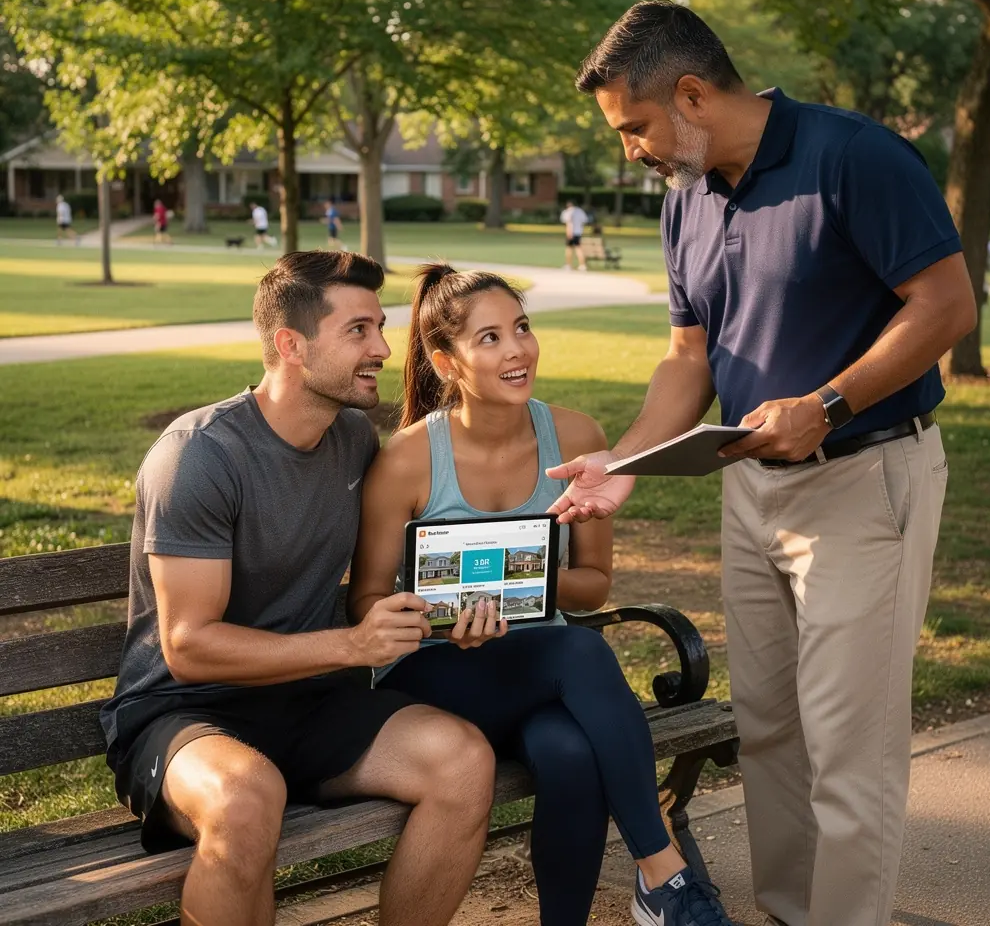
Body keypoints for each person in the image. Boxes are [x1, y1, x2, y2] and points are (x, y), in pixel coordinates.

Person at [549, 0, 977, 926]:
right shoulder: (686, 202)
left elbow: (945, 306)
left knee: (850, 746)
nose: (631, 150)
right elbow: (689, 360)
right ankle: (789, 908)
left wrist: (829, 403)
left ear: (693, 95)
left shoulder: (854, 157)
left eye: (635, 127)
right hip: (745, 489)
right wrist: (626, 459)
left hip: (863, 482)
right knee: (773, 730)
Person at [99, 251, 497, 926]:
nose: (382, 348)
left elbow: (396, 568)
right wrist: (351, 644)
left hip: (312, 705)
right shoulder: (198, 456)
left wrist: (459, 608)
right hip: (186, 715)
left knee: (464, 761)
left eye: (380, 327)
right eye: (358, 331)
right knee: (246, 799)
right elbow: (189, 647)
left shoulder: (350, 437)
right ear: (291, 345)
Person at [348, 263, 736, 926]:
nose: (518, 349)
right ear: (447, 361)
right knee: (580, 655)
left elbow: (592, 587)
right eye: (491, 338)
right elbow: (365, 603)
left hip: (540, 669)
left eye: (522, 328)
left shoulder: (579, 438)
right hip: (432, 674)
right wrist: (442, 619)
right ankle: (665, 877)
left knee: (569, 751)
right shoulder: (410, 459)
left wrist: (519, 586)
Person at [559, 198, 589, 270]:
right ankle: (582, 265)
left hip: (571, 232)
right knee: (578, 248)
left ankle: (568, 264)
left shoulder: (567, 212)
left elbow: (568, 222)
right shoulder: (580, 211)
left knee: (569, 249)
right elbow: (584, 221)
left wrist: (569, 232)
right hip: (578, 232)